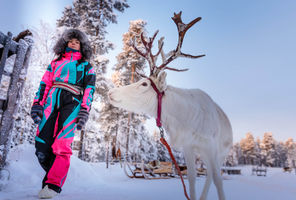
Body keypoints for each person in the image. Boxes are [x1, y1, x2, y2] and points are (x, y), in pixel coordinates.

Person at [30, 29, 96, 199]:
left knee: (62, 144)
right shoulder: (54, 63)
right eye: (70, 41)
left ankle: (52, 185)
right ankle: (53, 174)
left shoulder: (86, 66)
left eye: (77, 42)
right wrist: (37, 104)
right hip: (52, 98)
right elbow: (44, 84)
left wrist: (84, 111)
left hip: (73, 102)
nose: (73, 43)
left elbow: (90, 89)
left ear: (82, 47)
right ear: (65, 43)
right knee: (41, 144)